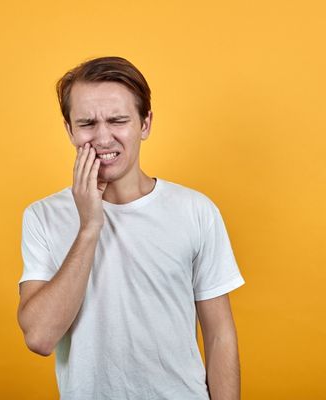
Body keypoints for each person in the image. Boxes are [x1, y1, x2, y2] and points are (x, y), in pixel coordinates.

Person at [16, 56, 246, 400]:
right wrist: (89, 227)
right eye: (87, 123)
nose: (103, 137)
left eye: (118, 120)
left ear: (145, 124)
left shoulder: (195, 211)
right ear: (69, 131)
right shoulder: (43, 216)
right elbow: (39, 337)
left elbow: (219, 336)